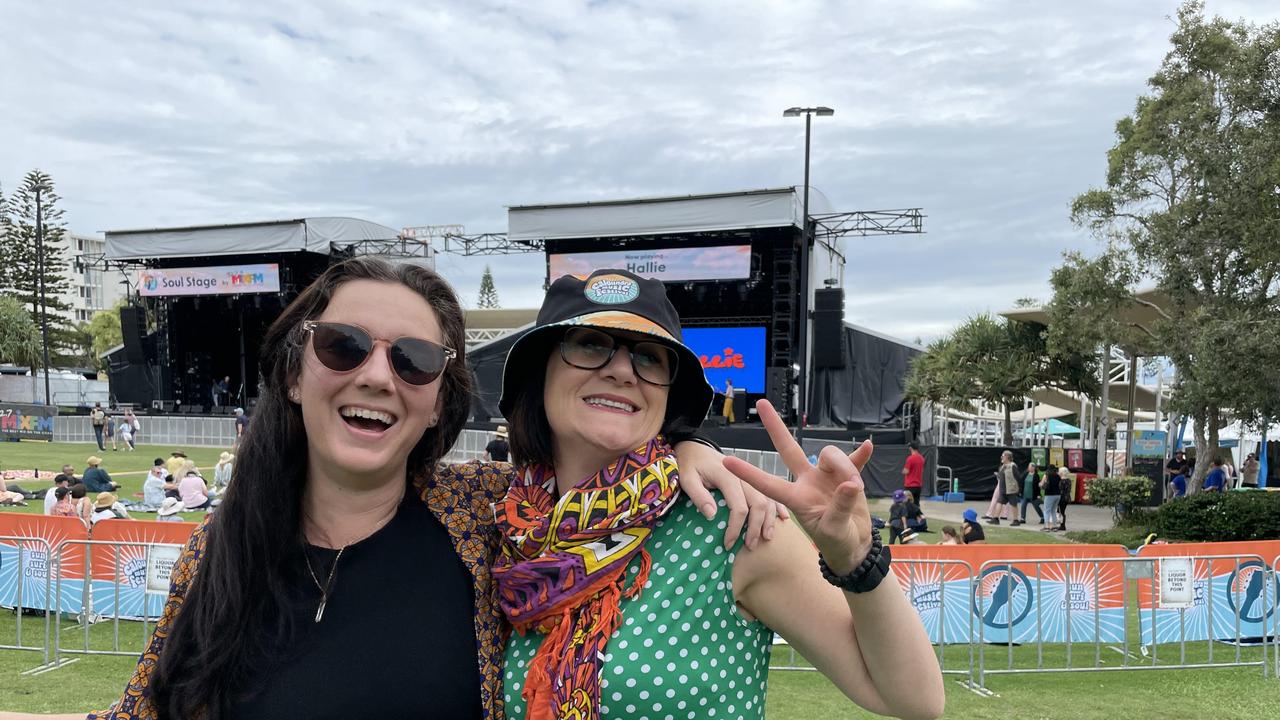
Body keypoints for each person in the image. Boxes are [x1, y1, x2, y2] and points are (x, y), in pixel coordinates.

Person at [67, 257, 771, 720]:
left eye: (413, 360)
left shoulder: (491, 516)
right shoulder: (218, 553)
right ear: (293, 372)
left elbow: (606, 469)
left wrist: (682, 448)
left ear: (439, 399)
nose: (377, 375)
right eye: (344, 345)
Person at [497, 269, 943, 720]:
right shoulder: (497, 525)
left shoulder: (733, 522)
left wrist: (856, 558)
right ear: (541, 372)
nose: (621, 370)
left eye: (649, 357)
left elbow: (912, 700)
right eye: (589, 343)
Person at [987, 450, 1018, 525]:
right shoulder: (1003, 466)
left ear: (1007, 457)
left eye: (1003, 456)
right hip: (1003, 490)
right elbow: (1002, 476)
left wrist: (1017, 488)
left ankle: (1016, 520)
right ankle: (996, 519)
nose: (1001, 457)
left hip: (1011, 490)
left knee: (1013, 504)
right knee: (999, 502)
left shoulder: (1013, 466)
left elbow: (1018, 477)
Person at [1018, 461, 1044, 525]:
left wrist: (1038, 494)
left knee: (1036, 506)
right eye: (1028, 467)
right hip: (1025, 494)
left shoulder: (1036, 476)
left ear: (1033, 468)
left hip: (1033, 495)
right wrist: (1020, 491)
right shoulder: (1025, 474)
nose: (1029, 468)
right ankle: (1022, 519)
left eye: (1030, 467)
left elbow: (1037, 486)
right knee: (1023, 505)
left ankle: (1042, 517)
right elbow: (1021, 483)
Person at [1042, 463, 1062, 532]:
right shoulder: (1058, 476)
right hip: (1057, 495)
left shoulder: (1046, 476)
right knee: (1053, 511)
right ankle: (1055, 526)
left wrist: (1040, 484)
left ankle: (1047, 527)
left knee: (1046, 511)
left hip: (1049, 494)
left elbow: (1042, 484)